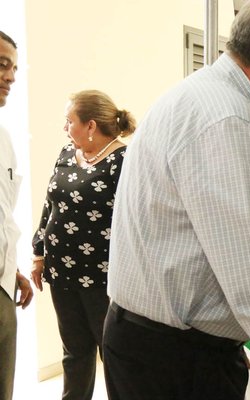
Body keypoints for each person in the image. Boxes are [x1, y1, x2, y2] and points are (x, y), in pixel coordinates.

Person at [103, 1, 250, 399]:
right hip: (176, 360)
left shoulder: (199, 95)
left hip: (155, 343)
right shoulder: (227, 123)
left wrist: (228, 337)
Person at [30, 90, 133, 400]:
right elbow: (51, 206)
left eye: (69, 121)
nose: (64, 128)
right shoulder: (66, 153)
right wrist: (39, 253)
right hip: (61, 271)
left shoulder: (123, 160)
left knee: (112, 352)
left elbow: (132, 218)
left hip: (102, 275)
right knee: (74, 352)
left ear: (90, 125)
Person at [0, 30, 33, 400]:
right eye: (1, 65)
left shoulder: (4, 139)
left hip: (3, 291)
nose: (10, 76)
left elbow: (3, 216)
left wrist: (13, 269)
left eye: (14, 69)